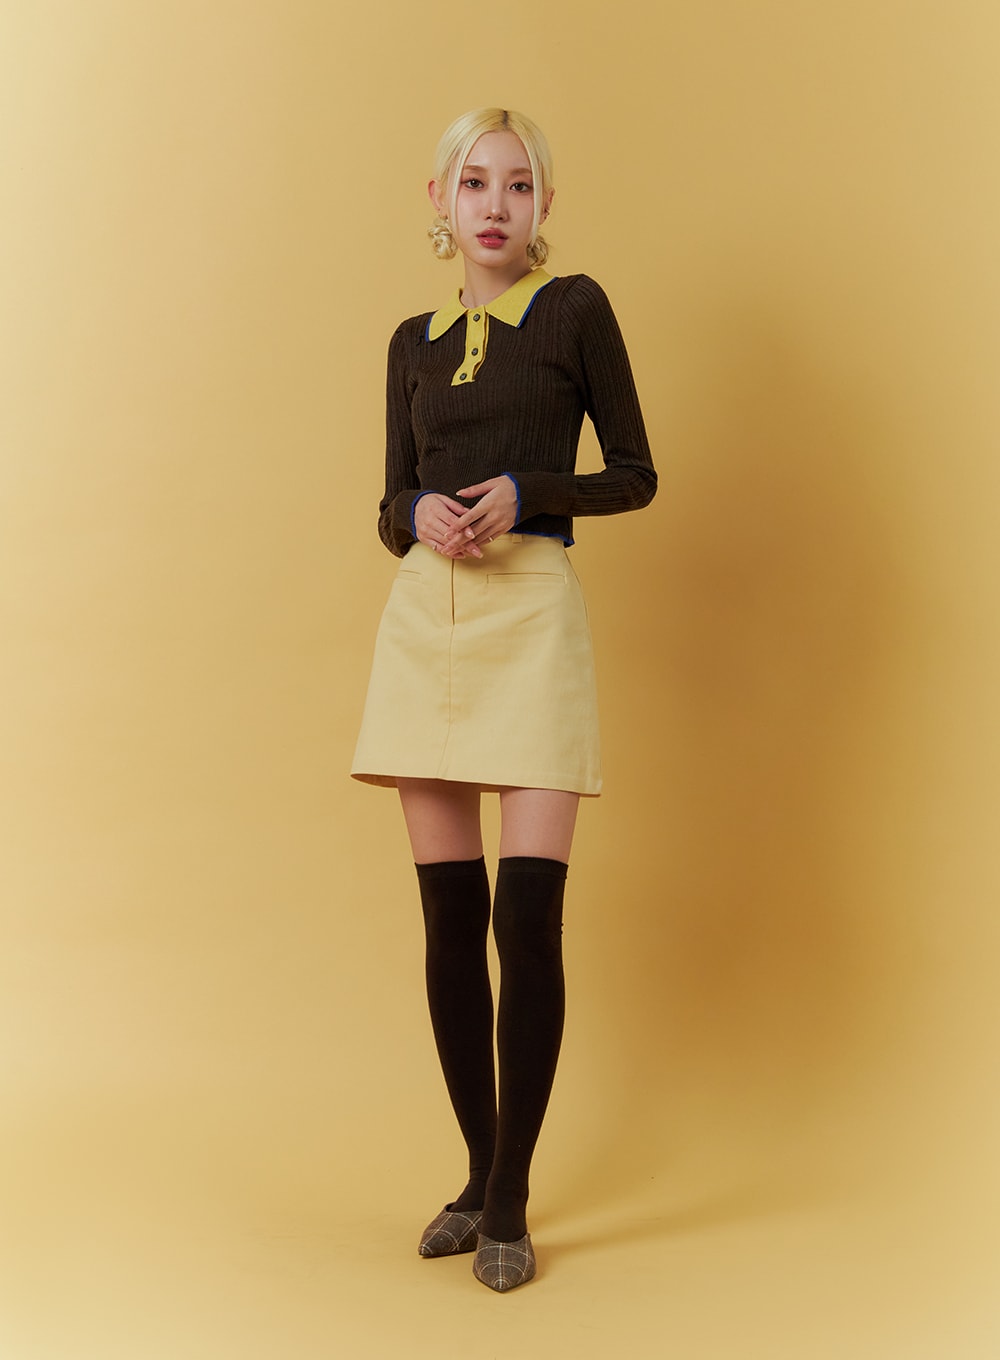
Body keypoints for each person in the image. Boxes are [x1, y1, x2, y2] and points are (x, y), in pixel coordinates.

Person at [352, 107, 656, 1292]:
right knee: (447, 921)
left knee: (524, 921)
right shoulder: (409, 342)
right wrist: (413, 514)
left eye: (518, 185)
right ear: (438, 200)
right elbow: (390, 506)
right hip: (425, 622)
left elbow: (633, 473)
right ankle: (476, 1178)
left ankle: (513, 1199)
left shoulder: (574, 309)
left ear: (542, 206)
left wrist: (529, 489)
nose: (495, 204)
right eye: (474, 182)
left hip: (531, 616)